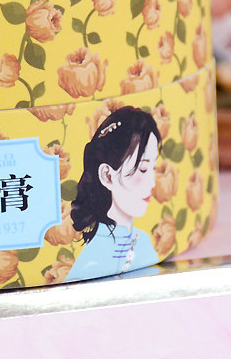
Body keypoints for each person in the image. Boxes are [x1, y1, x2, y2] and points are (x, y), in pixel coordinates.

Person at [66, 106, 161, 282]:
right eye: (143, 169)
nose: (152, 183)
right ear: (107, 176)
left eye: (153, 167)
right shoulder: (91, 262)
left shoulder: (142, 240)